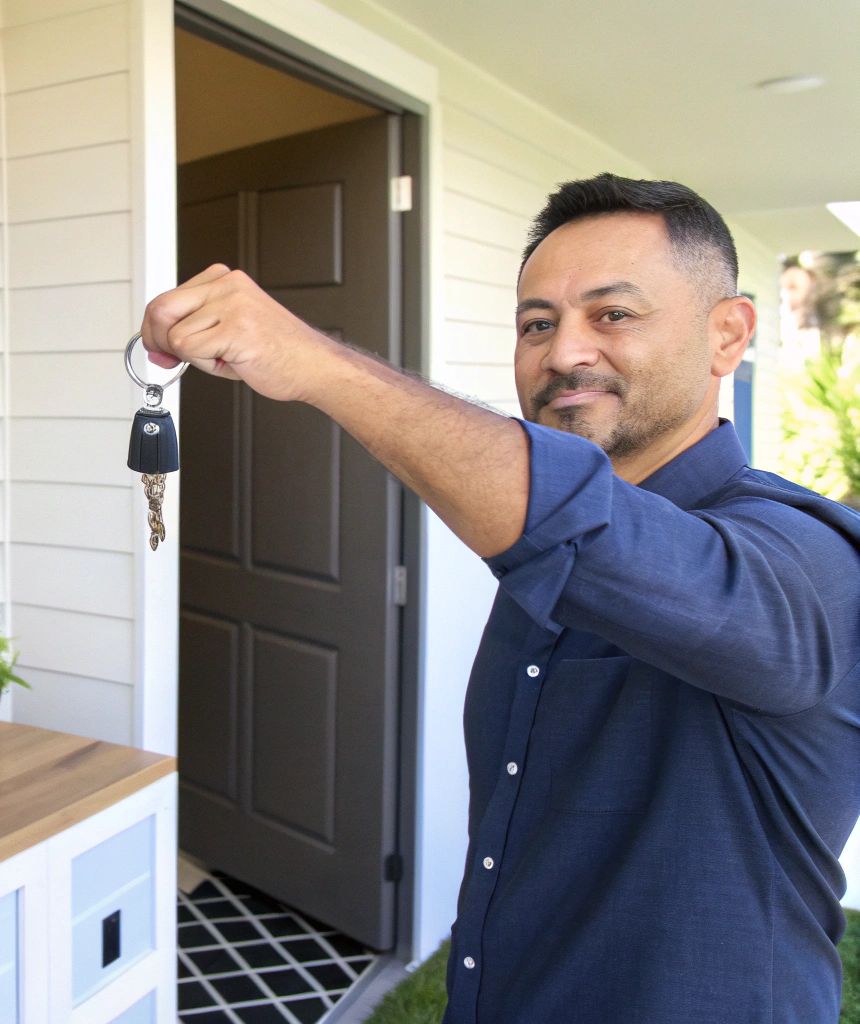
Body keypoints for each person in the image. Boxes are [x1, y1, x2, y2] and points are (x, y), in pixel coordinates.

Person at [139, 173, 860, 1023]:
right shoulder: (544, 569)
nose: (564, 354)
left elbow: (581, 524)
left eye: (613, 314)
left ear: (727, 335)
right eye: (537, 324)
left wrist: (317, 363)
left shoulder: (811, 561)